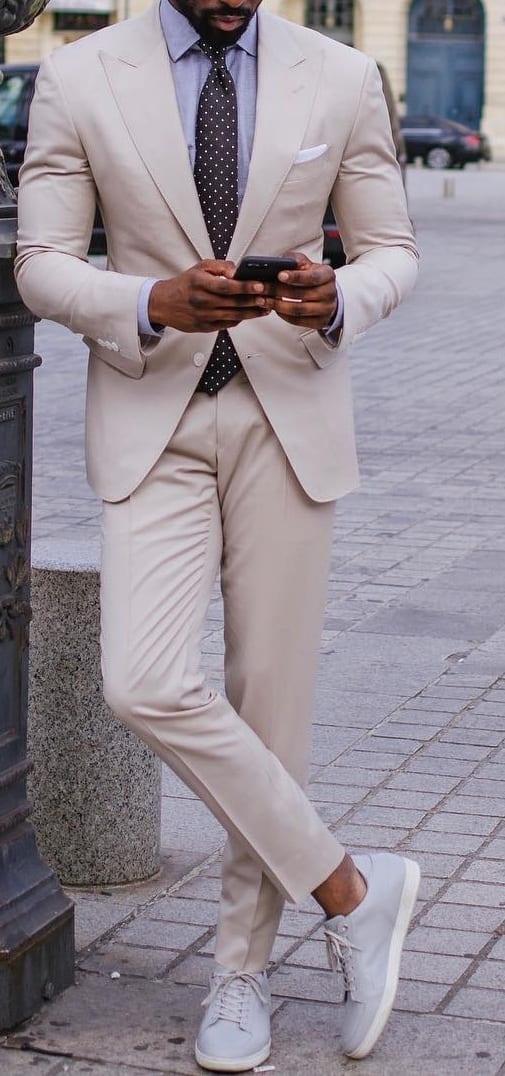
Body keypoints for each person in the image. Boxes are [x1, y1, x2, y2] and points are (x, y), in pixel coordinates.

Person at [15, 0, 420, 1069]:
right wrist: (146, 299)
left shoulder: (339, 75)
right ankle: (351, 887)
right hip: (153, 410)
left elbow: (392, 251)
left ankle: (241, 971)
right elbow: (40, 260)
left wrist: (339, 296)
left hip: (290, 417)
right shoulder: (80, 75)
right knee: (142, 681)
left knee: (268, 706)